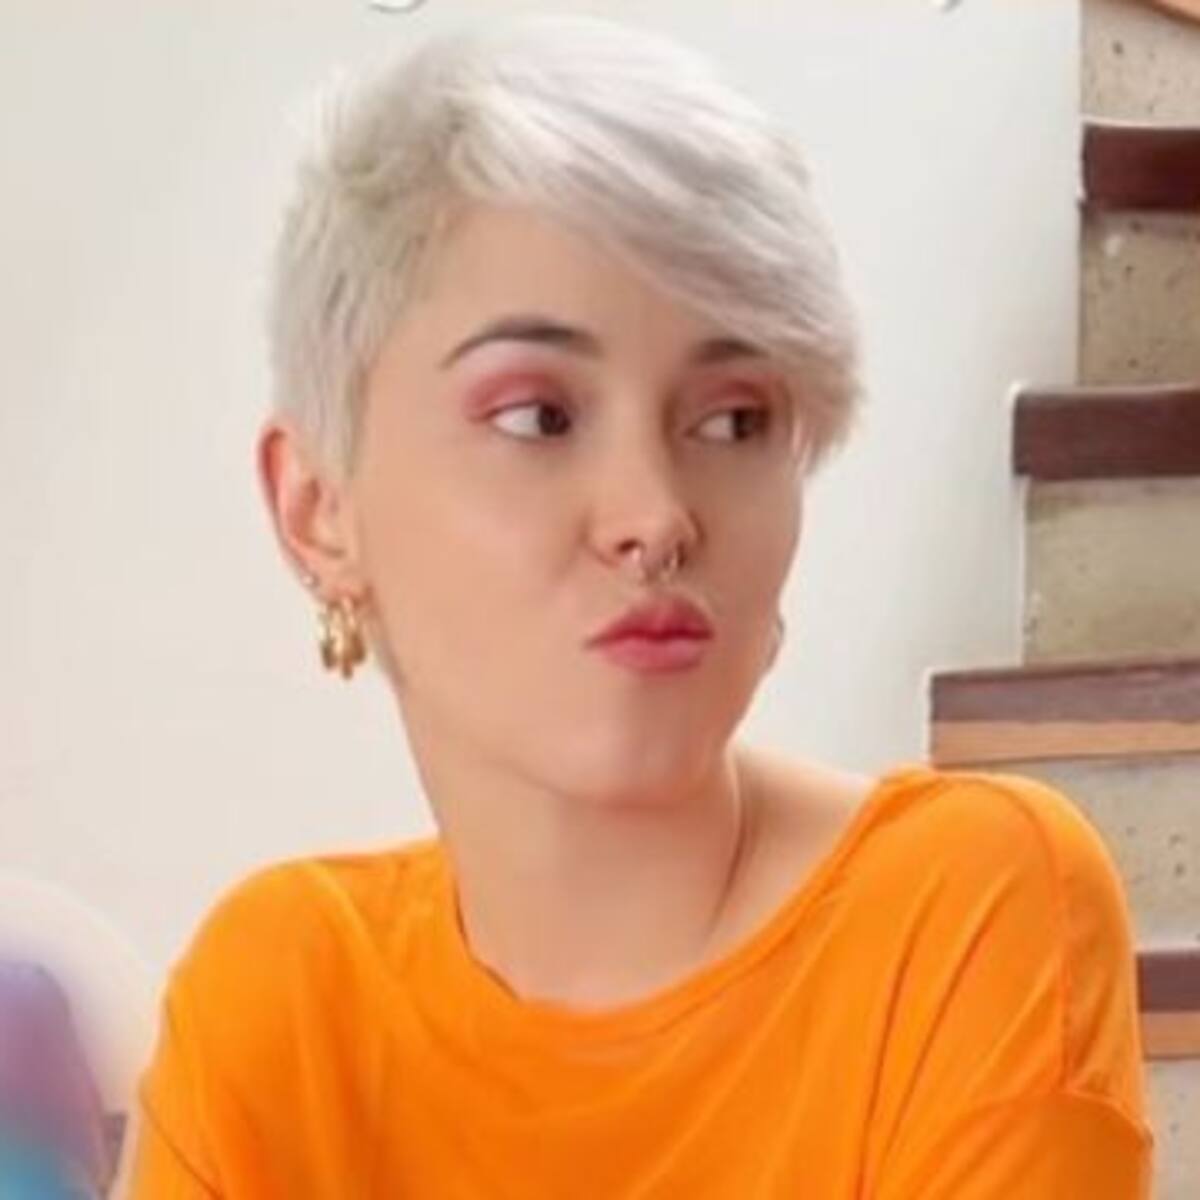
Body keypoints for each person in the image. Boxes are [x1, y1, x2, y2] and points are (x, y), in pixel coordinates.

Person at [124, 13, 1153, 1198]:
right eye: (538, 416)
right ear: (319, 511)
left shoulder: (966, 910)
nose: (656, 516)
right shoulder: (279, 997)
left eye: (733, 420)